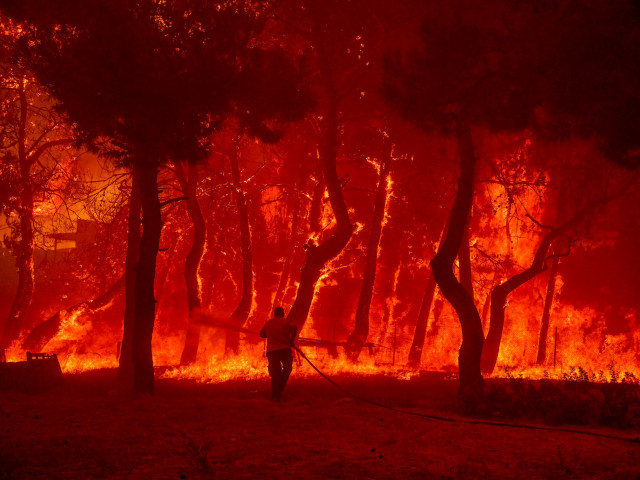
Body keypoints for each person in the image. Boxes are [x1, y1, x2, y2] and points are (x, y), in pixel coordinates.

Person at [260, 307, 297, 401]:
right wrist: (291, 340)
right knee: (287, 369)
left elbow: (262, 334)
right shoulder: (285, 322)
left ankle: (276, 394)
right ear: (283, 313)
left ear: (274, 314)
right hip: (284, 349)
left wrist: (270, 334)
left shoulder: (269, 323)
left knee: (275, 373)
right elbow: (295, 327)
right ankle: (279, 390)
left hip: (272, 351)